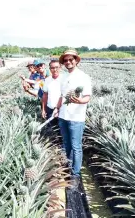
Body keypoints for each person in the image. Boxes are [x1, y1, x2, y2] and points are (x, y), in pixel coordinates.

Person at [53, 50, 92, 186]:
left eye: (71, 59)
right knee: (67, 144)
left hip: (76, 117)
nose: (68, 62)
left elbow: (87, 97)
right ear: (63, 63)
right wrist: (57, 109)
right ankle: (68, 168)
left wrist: (79, 101)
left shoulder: (83, 77)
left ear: (76, 60)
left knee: (76, 147)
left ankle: (75, 175)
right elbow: (61, 96)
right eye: (66, 60)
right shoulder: (63, 77)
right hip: (63, 115)